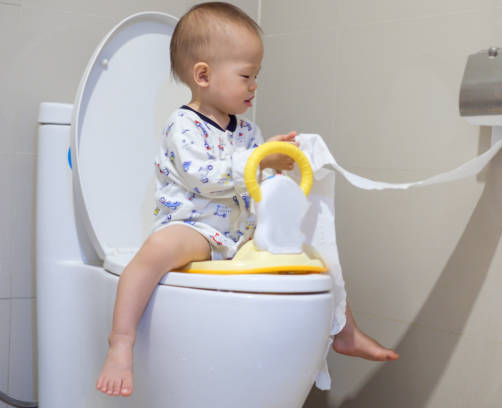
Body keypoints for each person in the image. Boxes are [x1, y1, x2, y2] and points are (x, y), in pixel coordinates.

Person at [96, 2, 398, 398]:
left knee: (311, 257)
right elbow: (203, 177)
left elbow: (258, 183)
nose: (254, 85)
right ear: (203, 75)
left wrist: (281, 170)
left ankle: (344, 331)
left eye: (256, 76)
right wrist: (258, 163)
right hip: (195, 227)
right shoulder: (182, 125)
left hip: (241, 232)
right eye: (246, 76)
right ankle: (121, 343)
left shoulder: (248, 130)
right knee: (156, 249)